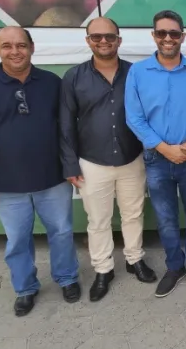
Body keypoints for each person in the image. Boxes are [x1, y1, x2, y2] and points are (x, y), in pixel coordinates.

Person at [0, 27, 80, 317]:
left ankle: (67, 278)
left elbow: (67, 129)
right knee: (18, 240)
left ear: (32, 47)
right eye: (7, 46)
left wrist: (71, 167)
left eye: (21, 45)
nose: (15, 51)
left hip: (53, 179)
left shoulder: (51, 83)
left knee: (61, 232)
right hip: (7, 185)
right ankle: (25, 288)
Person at [59, 17, 157, 303]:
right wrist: (69, 164)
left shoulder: (135, 73)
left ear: (119, 40)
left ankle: (134, 259)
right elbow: (65, 124)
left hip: (131, 158)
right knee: (98, 220)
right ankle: (103, 270)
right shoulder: (74, 77)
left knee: (133, 213)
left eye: (110, 37)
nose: (104, 42)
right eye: (97, 37)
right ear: (88, 40)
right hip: (92, 161)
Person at [125, 10, 186, 297]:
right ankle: (175, 266)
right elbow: (134, 118)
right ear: (154, 36)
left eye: (174, 33)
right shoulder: (137, 72)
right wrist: (164, 149)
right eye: (162, 33)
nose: (168, 38)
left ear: (182, 36)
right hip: (156, 158)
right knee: (165, 218)